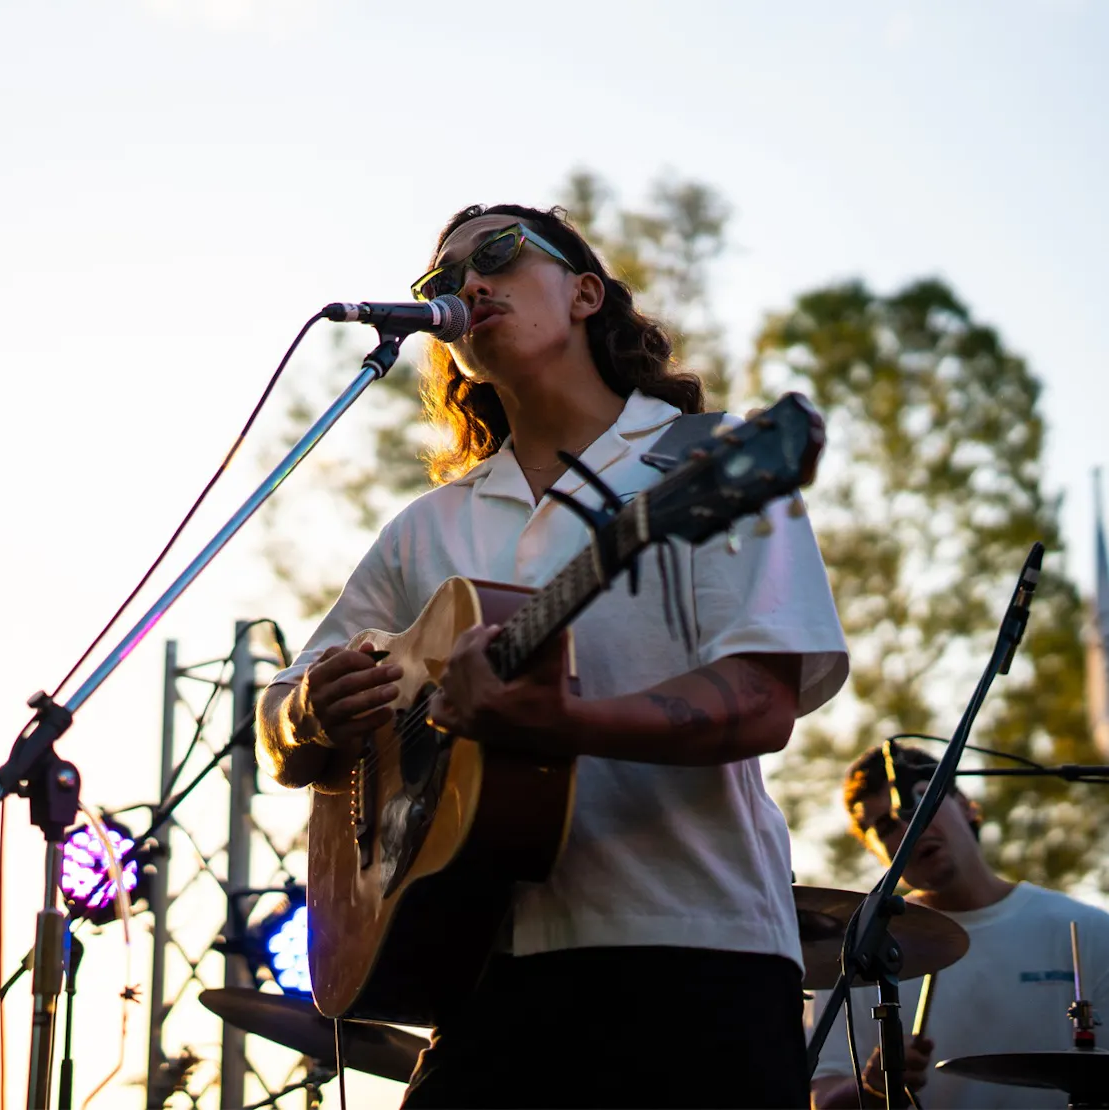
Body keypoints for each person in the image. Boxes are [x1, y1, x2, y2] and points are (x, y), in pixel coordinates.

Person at [255, 203, 850, 1108]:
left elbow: (760, 702)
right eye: (442, 282)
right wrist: (309, 713)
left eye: (494, 254)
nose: (466, 284)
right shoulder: (429, 530)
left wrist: (558, 723)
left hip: (695, 956)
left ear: (585, 293)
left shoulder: (712, 458)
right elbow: (281, 711)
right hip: (479, 967)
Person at [806, 742, 1109, 1108]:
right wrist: (872, 1087)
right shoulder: (860, 951)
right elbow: (821, 1098)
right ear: (876, 852)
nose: (909, 827)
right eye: (886, 826)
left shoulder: (1088, 930)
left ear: (966, 804)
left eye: (922, 802)